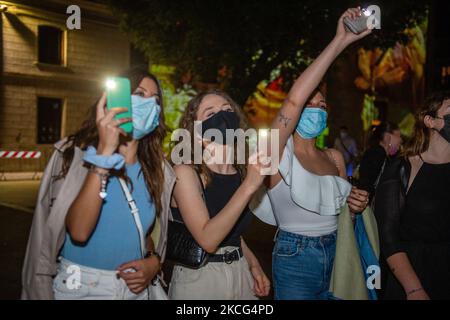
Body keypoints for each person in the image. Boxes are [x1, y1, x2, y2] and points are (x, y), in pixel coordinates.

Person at [21, 67, 176, 300]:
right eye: (140, 94)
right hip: (82, 286)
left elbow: (141, 231)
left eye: (155, 100)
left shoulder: (157, 168)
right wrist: (104, 155)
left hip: (135, 290)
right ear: (114, 100)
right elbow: (79, 232)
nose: (149, 104)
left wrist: (153, 262)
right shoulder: (74, 155)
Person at [251, 7, 372, 300]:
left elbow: (345, 217)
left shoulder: (334, 158)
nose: (316, 110)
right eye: (310, 104)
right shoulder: (276, 153)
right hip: (295, 257)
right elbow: (293, 101)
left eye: (322, 106)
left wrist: (355, 208)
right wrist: (340, 41)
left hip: (338, 252)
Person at [168, 90, 271, 300]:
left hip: (240, 272)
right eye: (210, 113)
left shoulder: (241, 173)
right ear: (196, 131)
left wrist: (253, 264)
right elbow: (208, 239)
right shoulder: (185, 173)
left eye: (227, 110)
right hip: (200, 278)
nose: (223, 116)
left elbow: (231, 233)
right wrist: (250, 185)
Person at [374, 91, 450, 300]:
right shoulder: (404, 167)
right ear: (430, 121)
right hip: (413, 275)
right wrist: (414, 289)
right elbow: (388, 235)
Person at [358, 122, 403, 204]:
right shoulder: (377, 153)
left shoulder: (379, 153)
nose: (401, 140)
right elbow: (367, 184)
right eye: (399, 136)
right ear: (387, 137)